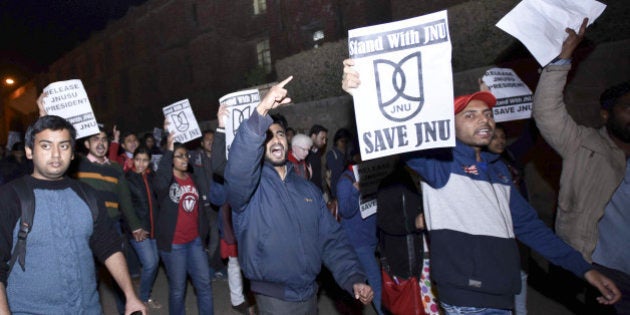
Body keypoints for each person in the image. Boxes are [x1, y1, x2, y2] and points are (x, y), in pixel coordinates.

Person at [342, 60, 621, 314]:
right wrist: (362, 94)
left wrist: (584, 270)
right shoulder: (440, 165)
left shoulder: (498, 171)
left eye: (487, 113)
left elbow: (530, 228)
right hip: (468, 299)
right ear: (449, 128)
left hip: (502, 294)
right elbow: (399, 136)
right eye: (470, 115)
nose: (483, 119)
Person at [225, 76, 374, 314]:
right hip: (274, 299)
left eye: (281, 134)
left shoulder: (308, 191)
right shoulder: (250, 188)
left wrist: (353, 276)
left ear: (288, 141)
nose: (275, 140)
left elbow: (330, 239)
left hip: (309, 296)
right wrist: (261, 111)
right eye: (268, 136)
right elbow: (238, 168)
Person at [0, 115, 146, 315]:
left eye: (63, 146)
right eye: (45, 146)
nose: (56, 154)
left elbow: (109, 247)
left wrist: (130, 295)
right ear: (29, 151)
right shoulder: (10, 197)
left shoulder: (87, 195)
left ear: (72, 154)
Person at [532, 18, 630, 314]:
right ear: (605, 115)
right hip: (606, 272)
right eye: (628, 108)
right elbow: (547, 112)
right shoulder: (584, 145)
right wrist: (562, 61)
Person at [154, 127, 213, 315]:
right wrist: (169, 150)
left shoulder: (192, 178)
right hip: (175, 245)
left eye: (186, 156)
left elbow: (200, 210)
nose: (185, 159)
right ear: (171, 159)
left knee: (204, 284)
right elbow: (160, 179)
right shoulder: (166, 182)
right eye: (179, 156)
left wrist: (203, 235)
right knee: (178, 289)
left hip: (194, 241)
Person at [337, 161, 384, 315]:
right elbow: (346, 211)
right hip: (357, 240)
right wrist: (355, 191)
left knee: (360, 281)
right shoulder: (345, 181)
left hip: (369, 237)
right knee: (375, 282)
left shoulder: (370, 177)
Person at [125, 146, 162, 309]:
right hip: (139, 230)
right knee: (150, 263)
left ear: (149, 161)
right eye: (138, 159)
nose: (141, 164)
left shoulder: (152, 176)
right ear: (133, 160)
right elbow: (126, 207)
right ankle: (142, 298)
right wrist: (136, 227)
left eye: (144, 160)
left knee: (154, 262)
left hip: (154, 228)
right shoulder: (128, 178)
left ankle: (144, 294)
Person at [189, 129, 226, 280]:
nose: (210, 142)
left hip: (222, 203)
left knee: (223, 236)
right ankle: (209, 267)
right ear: (202, 143)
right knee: (211, 235)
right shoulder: (196, 157)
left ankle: (218, 266)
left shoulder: (221, 157)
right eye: (207, 140)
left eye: (213, 140)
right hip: (204, 205)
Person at [327, 128, 353, 199]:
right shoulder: (332, 154)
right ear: (336, 141)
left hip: (349, 189)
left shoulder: (348, 153)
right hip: (339, 191)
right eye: (342, 141)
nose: (344, 144)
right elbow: (336, 175)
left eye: (346, 142)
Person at [306, 124, 328, 193]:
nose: (324, 142)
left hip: (318, 191)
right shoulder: (304, 153)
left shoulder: (317, 152)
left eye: (325, 139)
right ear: (313, 136)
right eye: (322, 138)